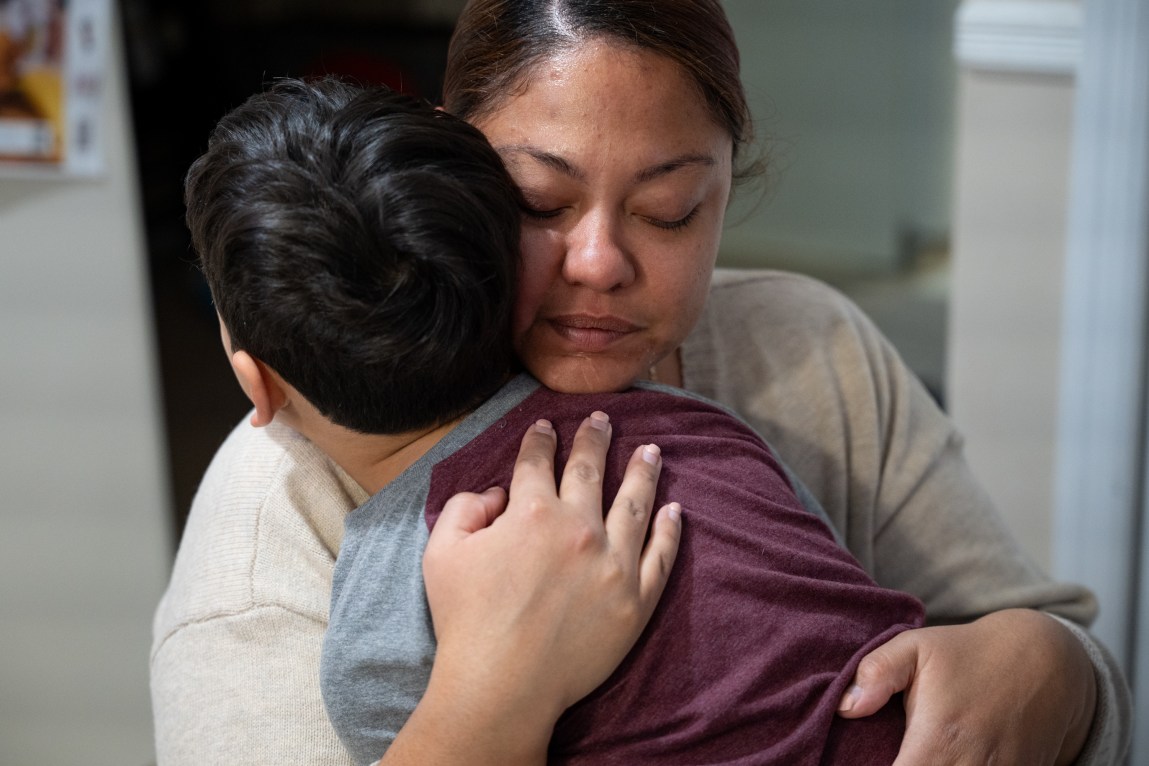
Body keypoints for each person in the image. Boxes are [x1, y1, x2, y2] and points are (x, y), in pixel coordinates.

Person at [150, 1, 1132, 764]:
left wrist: (1043, 673)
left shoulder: (807, 346)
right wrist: (497, 689)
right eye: (539, 201)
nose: (597, 261)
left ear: (725, 186)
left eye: (669, 210)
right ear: (445, 168)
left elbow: (1076, 655)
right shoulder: (276, 512)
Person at [181, 74, 927, 765]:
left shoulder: (378, 631)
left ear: (260, 388)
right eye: (543, 203)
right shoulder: (699, 429)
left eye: (665, 212)